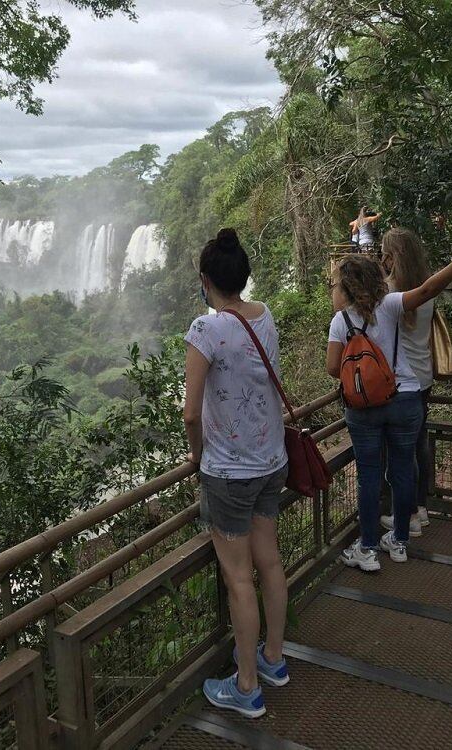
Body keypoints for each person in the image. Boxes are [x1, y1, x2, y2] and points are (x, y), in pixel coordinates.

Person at [327, 231, 452, 567]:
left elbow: (332, 369)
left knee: (369, 475)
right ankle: (398, 542)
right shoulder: (393, 304)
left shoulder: (340, 322)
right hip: (406, 399)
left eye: (335, 286)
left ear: (347, 289)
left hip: (364, 409)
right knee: (402, 470)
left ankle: (367, 549)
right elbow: (428, 289)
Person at [184, 228, 290, 719]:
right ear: (243, 278)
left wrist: (193, 456)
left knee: (238, 578)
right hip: (272, 460)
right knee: (268, 562)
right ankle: (272, 659)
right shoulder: (263, 315)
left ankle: (246, 687)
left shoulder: (206, 331)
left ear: (206, 281)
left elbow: (189, 413)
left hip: (228, 471)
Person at [376, 229, 436, 540]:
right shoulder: (428, 290)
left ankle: (407, 514)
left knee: (399, 451)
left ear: (390, 257)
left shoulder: (388, 295)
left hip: (399, 382)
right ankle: (421, 508)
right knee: (419, 445)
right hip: (424, 376)